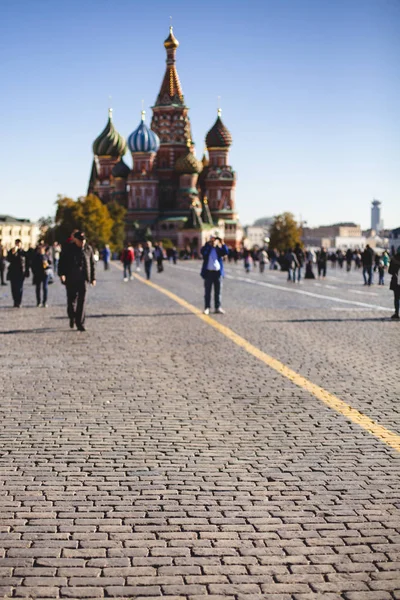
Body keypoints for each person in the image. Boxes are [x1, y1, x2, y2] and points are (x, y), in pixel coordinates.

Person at [58, 231, 96, 332]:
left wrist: (93, 278)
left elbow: (92, 264)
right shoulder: (68, 249)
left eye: (83, 240)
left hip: (83, 278)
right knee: (71, 300)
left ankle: (80, 323)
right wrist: (61, 274)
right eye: (80, 240)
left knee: (82, 301)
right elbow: (61, 262)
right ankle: (72, 316)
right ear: (75, 240)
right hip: (71, 278)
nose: (82, 242)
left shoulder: (88, 249)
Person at [200, 235, 228, 315]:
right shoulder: (208, 249)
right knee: (207, 291)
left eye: (214, 240)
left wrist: (222, 242)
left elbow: (225, 252)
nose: (213, 242)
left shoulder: (218, 249)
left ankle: (217, 307)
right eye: (212, 240)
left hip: (217, 272)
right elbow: (203, 252)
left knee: (218, 291)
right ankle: (207, 307)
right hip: (208, 272)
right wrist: (208, 244)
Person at [6, 239, 29, 307]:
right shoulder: (12, 251)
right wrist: (13, 253)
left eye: (19, 244)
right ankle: (15, 301)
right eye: (16, 243)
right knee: (13, 288)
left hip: (21, 272)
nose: (17, 245)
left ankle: (19, 301)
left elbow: (27, 263)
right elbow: (9, 259)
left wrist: (27, 271)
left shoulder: (23, 252)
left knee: (20, 288)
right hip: (13, 272)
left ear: (21, 244)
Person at [388, 247, 400, 320]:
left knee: (397, 298)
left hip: (396, 281)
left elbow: (390, 271)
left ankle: (397, 313)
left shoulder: (394, 258)